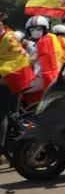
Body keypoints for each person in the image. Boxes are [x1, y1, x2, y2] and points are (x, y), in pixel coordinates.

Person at [0, 12, 35, 143]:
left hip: (11, 77)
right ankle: (26, 136)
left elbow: (15, 60)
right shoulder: (7, 36)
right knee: (13, 115)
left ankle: (1, 150)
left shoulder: (8, 38)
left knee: (2, 115)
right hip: (11, 76)